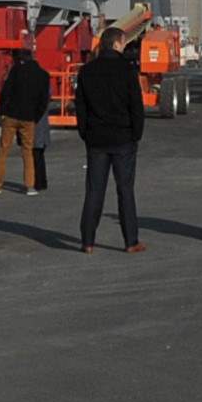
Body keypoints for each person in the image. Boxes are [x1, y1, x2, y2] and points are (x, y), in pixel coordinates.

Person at [72, 25, 148, 254]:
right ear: (117, 44)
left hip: (96, 138)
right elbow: (136, 105)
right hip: (123, 137)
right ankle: (130, 240)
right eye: (124, 43)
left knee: (94, 190)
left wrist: (85, 132)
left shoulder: (87, 71)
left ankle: (87, 241)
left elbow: (81, 106)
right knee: (125, 190)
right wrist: (136, 133)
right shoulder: (127, 70)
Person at [0, 40, 52, 196]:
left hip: (11, 115)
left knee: (3, 150)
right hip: (29, 118)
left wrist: (2, 112)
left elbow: (5, 93)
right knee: (27, 152)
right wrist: (35, 117)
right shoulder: (43, 75)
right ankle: (29, 186)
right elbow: (43, 100)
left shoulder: (15, 71)